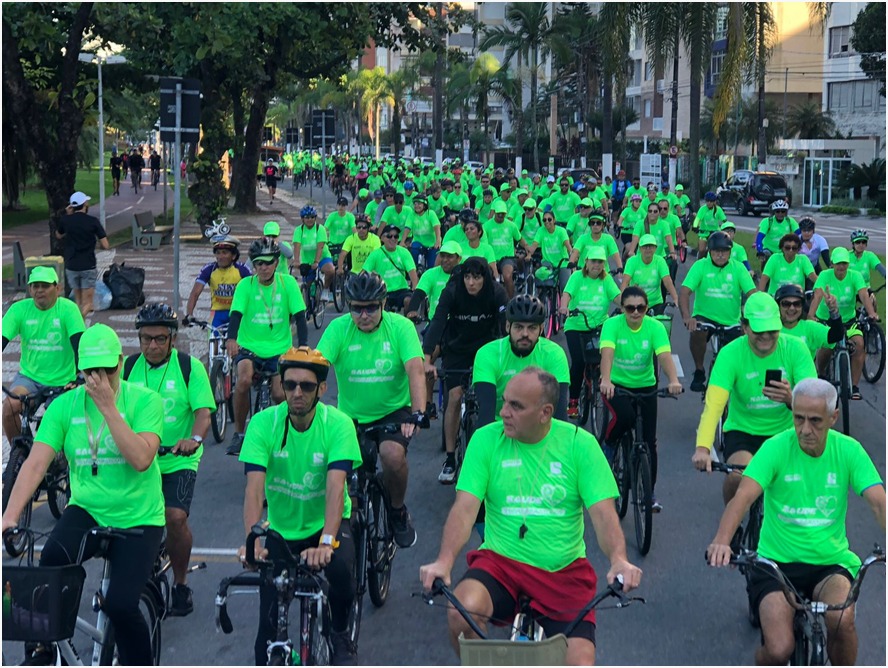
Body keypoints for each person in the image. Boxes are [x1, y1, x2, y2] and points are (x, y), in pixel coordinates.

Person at [419, 368, 643, 666]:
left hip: (562, 570)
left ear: (545, 412)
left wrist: (618, 558)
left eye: (516, 406)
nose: (503, 412)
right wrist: (444, 562)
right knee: (461, 611)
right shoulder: (486, 440)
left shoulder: (580, 444)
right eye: (505, 402)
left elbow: (603, 514)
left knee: (580, 663)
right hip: (500, 563)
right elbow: (464, 509)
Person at [1, 324, 165, 666]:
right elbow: (34, 465)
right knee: (46, 572)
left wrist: (108, 408)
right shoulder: (65, 407)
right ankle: (45, 649)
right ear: (80, 369)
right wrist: (10, 515)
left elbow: (140, 458)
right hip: (87, 509)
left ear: (120, 363)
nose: (98, 378)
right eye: (90, 371)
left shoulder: (146, 401)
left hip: (139, 515)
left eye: (106, 369)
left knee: (121, 604)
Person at [705, 378, 885, 667]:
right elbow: (743, 497)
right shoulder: (776, 447)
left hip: (830, 563)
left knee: (842, 621)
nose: (805, 429)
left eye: (815, 421)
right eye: (798, 418)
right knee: (778, 649)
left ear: (833, 417)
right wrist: (722, 541)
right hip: (776, 564)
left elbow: (878, 501)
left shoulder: (849, 450)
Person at [238, 347, 362, 666]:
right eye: (290, 384)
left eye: (306, 386)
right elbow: (253, 489)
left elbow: (336, 487)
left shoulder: (338, 424)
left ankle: (339, 631)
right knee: (266, 637)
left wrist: (325, 541)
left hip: (326, 526)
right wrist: (252, 541)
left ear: (321, 389)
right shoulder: (263, 424)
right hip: (282, 531)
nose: (297, 392)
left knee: (342, 578)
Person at [316, 272, 427, 549]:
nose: (363, 315)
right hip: (350, 417)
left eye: (371, 308)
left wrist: (418, 412)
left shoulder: (401, 327)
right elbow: (318, 366)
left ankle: (398, 510)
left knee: (391, 455)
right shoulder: (339, 329)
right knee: (346, 480)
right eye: (356, 308)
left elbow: (415, 369)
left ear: (383, 304)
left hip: (393, 412)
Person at [124, 304, 214, 617]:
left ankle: (180, 582)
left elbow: (203, 412)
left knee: (175, 517)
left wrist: (195, 440)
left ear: (172, 339)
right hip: (137, 459)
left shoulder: (189, 367)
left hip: (177, 459)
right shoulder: (126, 368)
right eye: (146, 338)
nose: (152, 345)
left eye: (160, 339)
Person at [691, 292, 817, 504]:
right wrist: (703, 448)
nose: (766, 336)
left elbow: (815, 402)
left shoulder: (796, 348)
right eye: (759, 330)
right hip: (743, 431)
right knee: (737, 478)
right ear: (744, 327)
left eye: (772, 330)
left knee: (797, 490)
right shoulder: (730, 354)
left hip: (786, 433)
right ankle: (733, 530)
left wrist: (790, 399)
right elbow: (714, 406)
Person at [422, 258, 508, 483]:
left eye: (477, 278)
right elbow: (438, 322)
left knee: (491, 398)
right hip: (457, 348)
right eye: (468, 277)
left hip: (486, 350)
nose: (471, 283)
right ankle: (450, 459)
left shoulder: (496, 291)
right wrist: (428, 358)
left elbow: (506, 322)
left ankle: (492, 452)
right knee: (454, 396)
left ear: (485, 279)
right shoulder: (451, 291)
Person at [600, 287, 682, 509]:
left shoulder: (655, 327)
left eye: (641, 308)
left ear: (647, 308)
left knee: (648, 442)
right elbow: (607, 353)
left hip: (646, 386)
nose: (636, 313)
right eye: (630, 308)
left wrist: (673, 380)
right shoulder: (612, 325)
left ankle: (649, 494)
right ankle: (608, 443)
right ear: (622, 308)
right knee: (624, 417)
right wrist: (606, 380)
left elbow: (664, 355)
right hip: (616, 385)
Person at [225, 240, 308, 456]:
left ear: (276, 262)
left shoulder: (287, 283)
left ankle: (288, 432)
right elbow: (236, 315)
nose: (263, 267)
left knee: (281, 395)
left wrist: (304, 348)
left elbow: (300, 316)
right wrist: (231, 339)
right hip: (249, 348)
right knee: (243, 380)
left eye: (268, 262)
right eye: (258, 263)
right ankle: (240, 434)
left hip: (279, 349)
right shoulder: (246, 285)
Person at [2, 266, 85, 444]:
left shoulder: (68, 309)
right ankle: (22, 453)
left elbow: (79, 345)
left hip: (63, 381)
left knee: (54, 421)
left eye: (45, 286)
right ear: (30, 289)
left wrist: (78, 376)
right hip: (29, 379)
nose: (40, 290)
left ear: (58, 288)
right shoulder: (19, 309)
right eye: (35, 285)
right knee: (9, 407)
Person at [473, 295, 570, 426]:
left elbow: (560, 416)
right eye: (518, 327)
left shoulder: (554, 354)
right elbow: (486, 415)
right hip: (499, 425)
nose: (525, 334)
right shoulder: (488, 354)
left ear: (541, 329)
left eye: (532, 328)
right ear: (508, 326)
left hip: (537, 428)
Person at [679, 231, 757, 392]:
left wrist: (753, 319)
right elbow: (685, 292)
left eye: (724, 251)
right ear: (710, 252)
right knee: (698, 331)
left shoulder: (738, 268)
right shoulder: (700, 266)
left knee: (743, 348)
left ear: (730, 252)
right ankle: (699, 370)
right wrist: (687, 317)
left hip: (731, 320)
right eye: (716, 252)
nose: (720, 255)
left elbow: (752, 295)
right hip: (705, 316)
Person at [808, 247, 879, 400]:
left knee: (859, 345)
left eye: (845, 264)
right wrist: (810, 315)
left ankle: (854, 386)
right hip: (827, 321)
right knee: (826, 347)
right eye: (838, 263)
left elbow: (864, 295)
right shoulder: (825, 275)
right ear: (832, 263)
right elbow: (818, 295)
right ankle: (821, 374)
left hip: (848, 321)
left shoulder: (855, 276)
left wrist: (872, 312)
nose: (841, 267)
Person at [559, 246, 622, 418]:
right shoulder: (577, 277)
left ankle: (600, 386)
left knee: (606, 358)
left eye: (600, 261)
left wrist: (630, 307)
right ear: (586, 262)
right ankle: (573, 401)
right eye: (593, 261)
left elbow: (617, 298)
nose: (597, 265)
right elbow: (567, 294)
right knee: (579, 362)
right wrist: (564, 307)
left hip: (599, 326)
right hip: (576, 326)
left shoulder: (606, 279)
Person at [56, 191, 110, 319]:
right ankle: (78, 321)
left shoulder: (66, 220)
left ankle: (77, 323)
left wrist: (68, 216)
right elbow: (106, 245)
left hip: (71, 265)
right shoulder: (93, 221)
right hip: (88, 264)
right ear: (85, 204)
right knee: (88, 303)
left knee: (78, 302)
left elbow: (58, 235)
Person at [184, 235, 251, 328]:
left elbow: (253, 292)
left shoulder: (243, 269)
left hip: (237, 312)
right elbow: (195, 293)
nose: (220, 256)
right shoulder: (209, 269)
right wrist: (189, 315)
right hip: (217, 313)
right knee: (212, 339)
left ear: (234, 256)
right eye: (218, 253)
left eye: (224, 253)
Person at [776, 283, 844, 360]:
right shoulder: (771, 329)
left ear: (802, 306)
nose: (792, 308)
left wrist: (833, 311)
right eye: (786, 304)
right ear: (778, 306)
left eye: (797, 304)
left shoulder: (809, 327)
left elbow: (836, 336)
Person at [361, 224, 418, 312]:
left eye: (396, 236)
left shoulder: (404, 252)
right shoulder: (375, 254)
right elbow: (364, 272)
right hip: (382, 291)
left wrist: (415, 286)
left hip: (401, 290)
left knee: (409, 301)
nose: (393, 239)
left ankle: (408, 323)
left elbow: (412, 271)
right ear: (382, 238)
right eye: (389, 236)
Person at [621, 234, 679, 316]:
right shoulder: (632, 261)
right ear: (640, 248)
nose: (648, 249)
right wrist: (622, 302)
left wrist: (675, 298)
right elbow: (625, 282)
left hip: (655, 303)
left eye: (651, 246)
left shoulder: (660, 261)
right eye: (645, 246)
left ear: (655, 248)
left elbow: (667, 281)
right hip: (636, 303)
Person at [292, 207, 336, 302]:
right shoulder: (299, 230)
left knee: (331, 270)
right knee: (307, 287)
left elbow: (320, 247)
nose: (310, 219)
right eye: (307, 217)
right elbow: (297, 246)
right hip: (307, 260)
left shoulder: (320, 229)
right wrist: (296, 260)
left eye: (312, 217)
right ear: (302, 219)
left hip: (322, 257)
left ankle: (325, 289)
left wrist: (316, 262)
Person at [403, 195, 442, 269]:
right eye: (415, 204)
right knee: (413, 250)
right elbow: (407, 228)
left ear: (424, 205)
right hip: (418, 242)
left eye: (419, 204)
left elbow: (436, 227)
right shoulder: (412, 214)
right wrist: (402, 241)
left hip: (432, 244)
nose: (416, 206)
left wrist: (438, 241)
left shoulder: (430, 213)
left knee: (432, 267)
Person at [691, 192, 727, 258]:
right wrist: (695, 226)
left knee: (715, 250)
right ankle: (700, 262)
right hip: (704, 233)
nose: (709, 203)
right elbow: (697, 219)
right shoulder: (702, 209)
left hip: (715, 232)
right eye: (707, 201)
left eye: (711, 201)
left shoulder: (718, 209)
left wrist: (725, 227)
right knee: (702, 250)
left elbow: (724, 220)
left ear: (714, 202)